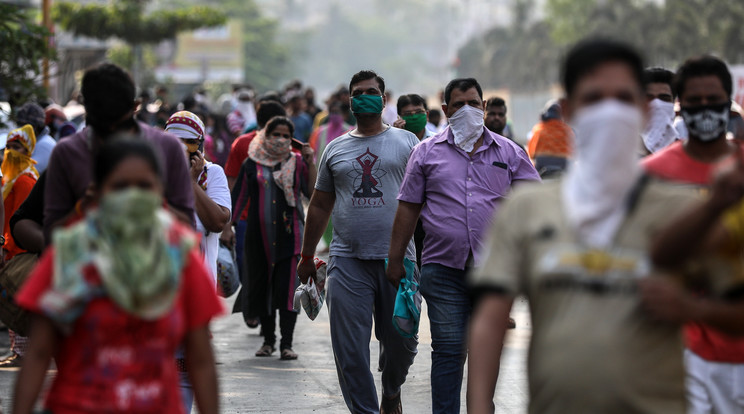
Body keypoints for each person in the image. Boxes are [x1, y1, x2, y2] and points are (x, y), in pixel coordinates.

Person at [467, 39, 707, 414]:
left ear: (645, 110)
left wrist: (691, 309)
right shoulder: (526, 210)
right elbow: (490, 318)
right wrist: (479, 406)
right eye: (595, 99)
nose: (610, 112)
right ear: (569, 110)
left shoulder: (681, 211)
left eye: (623, 98)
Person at [12, 138, 222, 414]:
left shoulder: (180, 256)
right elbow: (38, 354)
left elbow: (201, 360)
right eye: (120, 186)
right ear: (97, 190)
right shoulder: (70, 253)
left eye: (144, 186)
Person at [387, 79, 539, 413]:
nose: (468, 110)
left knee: (487, 350)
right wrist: (395, 260)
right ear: (445, 111)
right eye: (459, 105)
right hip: (442, 269)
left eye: (474, 103)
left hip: (495, 271)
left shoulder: (510, 152)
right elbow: (408, 207)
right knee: (449, 349)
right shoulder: (425, 153)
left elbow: (536, 205)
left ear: (484, 107)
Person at [297, 70, 419, 414]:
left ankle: (391, 389)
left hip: (399, 260)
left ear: (383, 98)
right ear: (349, 101)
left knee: (403, 343)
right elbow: (320, 204)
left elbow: (425, 198)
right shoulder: (335, 149)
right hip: (347, 262)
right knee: (350, 353)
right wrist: (307, 255)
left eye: (371, 91)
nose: (364, 96)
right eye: (358, 92)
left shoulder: (407, 143)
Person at [642, 55, 744, 414]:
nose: (705, 110)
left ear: (728, 103)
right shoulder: (651, 174)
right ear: (680, 107)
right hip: (681, 350)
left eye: (713, 101)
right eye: (695, 102)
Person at [42, 63, 195, 245]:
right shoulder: (66, 153)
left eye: (121, 128)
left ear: (135, 107)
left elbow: (188, 230)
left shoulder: (169, 148)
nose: (111, 139)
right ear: (86, 112)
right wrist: (84, 207)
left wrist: (150, 204)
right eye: (100, 130)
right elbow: (51, 238)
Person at [231, 116, 315, 360]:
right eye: (275, 134)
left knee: (288, 291)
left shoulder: (298, 162)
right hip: (259, 239)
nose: (280, 140)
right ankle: (268, 341)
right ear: (265, 136)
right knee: (264, 287)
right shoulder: (251, 163)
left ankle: (287, 345)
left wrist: (311, 163)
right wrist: (228, 227)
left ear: (292, 139)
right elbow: (240, 197)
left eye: (286, 136)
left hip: (292, 238)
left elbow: (311, 193)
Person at [165, 111, 231, 280]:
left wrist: (192, 182)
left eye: (191, 143)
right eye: (176, 141)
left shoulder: (212, 173)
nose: (183, 148)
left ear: (200, 145)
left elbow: (218, 223)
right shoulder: (155, 173)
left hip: (200, 278)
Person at [0, 124, 38, 368]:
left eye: (17, 147)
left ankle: (24, 354)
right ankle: (19, 352)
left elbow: (18, 219)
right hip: (10, 247)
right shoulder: (10, 178)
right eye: (8, 147)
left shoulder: (24, 180)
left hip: (18, 250)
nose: (11, 152)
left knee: (19, 301)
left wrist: (6, 249)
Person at [526, 100, 574, 176]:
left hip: (541, 165)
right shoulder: (567, 130)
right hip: (564, 165)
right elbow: (574, 151)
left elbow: (531, 153)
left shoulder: (538, 129)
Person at [641, 67, 679, 155]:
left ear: (673, 103)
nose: (657, 104)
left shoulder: (687, 153)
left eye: (664, 98)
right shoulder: (622, 152)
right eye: (649, 98)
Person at [16, 103, 55, 174]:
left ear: (36, 128)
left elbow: (26, 173)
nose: (21, 130)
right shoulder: (33, 143)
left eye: (25, 126)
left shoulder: (44, 145)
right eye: (20, 125)